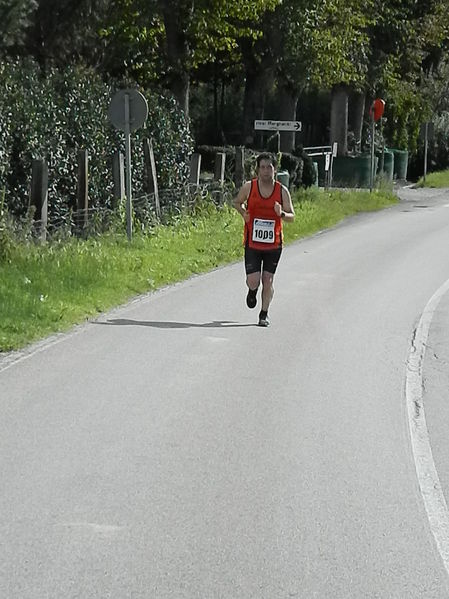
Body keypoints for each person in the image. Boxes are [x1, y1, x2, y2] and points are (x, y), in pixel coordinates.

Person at [233, 152, 295, 327]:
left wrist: (281, 213)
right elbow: (237, 202)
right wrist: (243, 213)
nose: (266, 171)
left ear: (275, 169)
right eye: (263, 167)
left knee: (268, 279)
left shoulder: (282, 191)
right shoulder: (249, 187)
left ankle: (264, 313)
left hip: (274, 244)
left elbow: (292, 216)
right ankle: (252, 291)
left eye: (269, 167)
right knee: (254, 280)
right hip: (252, 242)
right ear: (258, 170)